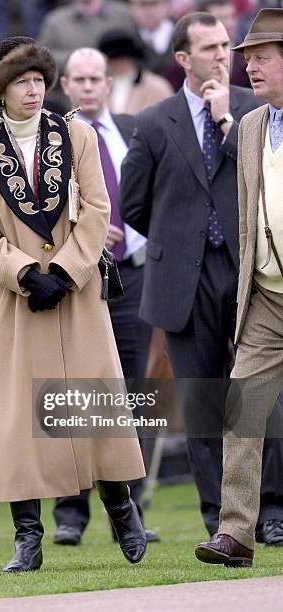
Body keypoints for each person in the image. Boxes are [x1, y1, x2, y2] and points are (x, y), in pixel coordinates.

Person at [0, 36, 148, 572]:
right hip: (15, 304)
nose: (35, 90)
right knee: (20, 418)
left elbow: (96, 208)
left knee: (95, 406)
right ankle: (28, 535)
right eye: (23, 81)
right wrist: (25, 275)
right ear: (0, 90)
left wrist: (65, 269)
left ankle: (121, 507)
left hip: (76, 292)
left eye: (40, 79)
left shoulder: (77, 135)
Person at [119, 12, 283, 542]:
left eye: (224, 46)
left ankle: (272, 511)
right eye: (209, 47)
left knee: (260, 401)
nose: (223, 55)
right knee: (203, 402)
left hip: (248, 274)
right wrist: (181, 241)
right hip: (183, 282)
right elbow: (135, 206)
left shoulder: (254, 111)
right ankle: (220, 520)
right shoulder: (152, 121)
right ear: (183, 59)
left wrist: (223, 122)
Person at [52, 46, 158, 547]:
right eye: (80, 78)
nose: (90, 86)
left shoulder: (136, 130)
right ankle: (70, 512)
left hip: (134, 277)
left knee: (135, 392)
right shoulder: (50, 143)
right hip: (77, 279)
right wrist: (87, 230)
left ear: (108, 85)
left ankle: (131, 512)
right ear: (66, 86)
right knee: (72, 391)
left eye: (98, 78)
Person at [195, 7, 283, 567]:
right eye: (247, 60)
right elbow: (249, 214)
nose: (249, 69)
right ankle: (235, 534)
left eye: (262, 59)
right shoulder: (250, 125)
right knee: (242, 412)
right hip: (267, 297)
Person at [98, 29, 173, 114]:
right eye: (113, 59)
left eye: (123, 57)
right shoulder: (96, 87)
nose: (119, 63)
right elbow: (80, 111)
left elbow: (170, 118)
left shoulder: (156, 87)